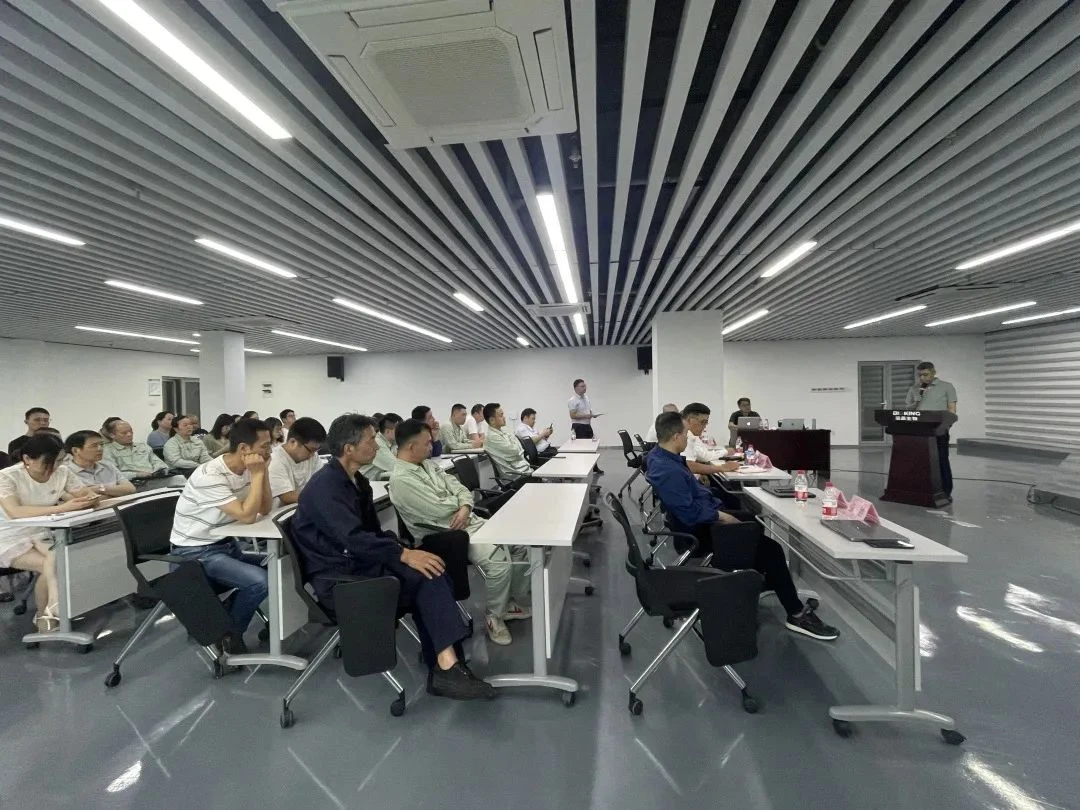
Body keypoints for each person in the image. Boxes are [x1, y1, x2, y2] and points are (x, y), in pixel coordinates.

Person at [292, 414, 495, 700]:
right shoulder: (325, 488)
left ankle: (444, 661)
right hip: (341, 579)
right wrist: (404, 554)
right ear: (349, 448)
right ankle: (446, 666)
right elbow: (354, 539)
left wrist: (403, 552)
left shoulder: (357, 482)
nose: (377, 446)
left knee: (432, 569)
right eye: (370, 440)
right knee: (427, 576)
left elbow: (370, 535)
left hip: (360, 562)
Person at [646, 412, 839, 641]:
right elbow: (689, 512)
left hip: (702, 521)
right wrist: (721, 516)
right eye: (685, 434)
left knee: (753, 521)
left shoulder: (661, 458)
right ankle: (796, 613)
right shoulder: (668, 470)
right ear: (676, 436)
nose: (688, 438)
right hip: (701, 532)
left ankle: (765, 578)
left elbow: (692, 500)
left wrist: (719, 510)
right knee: (772, 550)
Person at [389, 419, 531, 646]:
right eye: (427, 443)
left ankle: (507, 603)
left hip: (467, 521)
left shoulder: (427, 465)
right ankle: (494, 616)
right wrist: (461, 505)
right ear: (411, 447)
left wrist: (465, 505)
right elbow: (440, 510)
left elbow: (459, 488)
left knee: (520, 545)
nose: (432, 446)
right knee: (499, 563)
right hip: (446, 534)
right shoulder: (401, 480)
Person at [169, 417, 272, 652]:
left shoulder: (249, 468)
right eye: (265, 446)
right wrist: (258, 475)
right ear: (244, 448)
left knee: (280, 566)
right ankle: (230, 632)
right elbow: (247, 516)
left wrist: (262, 473)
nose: (269, 451)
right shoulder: (210, 475)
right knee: (260, 581)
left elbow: (265, 508)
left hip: (226, 545)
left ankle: (225, 617)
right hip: (194, 554)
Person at [0, 434, 104, 632]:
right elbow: (15, 512)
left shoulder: (61, 471)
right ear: (27, 459)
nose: (54, 468)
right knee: (55, 565)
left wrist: (88, 500)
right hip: (8, 535)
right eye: (47, 463)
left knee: (62, 562)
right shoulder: (7, 476)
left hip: (42, 531)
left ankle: (51, 614)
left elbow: (88, 495)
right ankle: (47, 617)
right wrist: (63, 508)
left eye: (58, 461)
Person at [905, 361, 958, 502]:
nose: (922, 378)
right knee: (919, 461)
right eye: (920, 375)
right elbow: (908, 410)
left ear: (933, 373)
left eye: (925, 374)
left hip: (939, 430)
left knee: (941, 460)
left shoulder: (947, 387)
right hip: (919, 431)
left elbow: (952, 410)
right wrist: (917, 401)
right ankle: (920, 490)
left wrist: (946, 426)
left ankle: (945, 491)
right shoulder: (914, 389)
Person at [104, 420, 184, 488]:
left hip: (152, 478)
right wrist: (136, 474)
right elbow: (112, 475)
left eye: (130, 431)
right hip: (132, 482)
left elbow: (157, 462)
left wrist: (159, 471)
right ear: (112, 435)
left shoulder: (142, 446)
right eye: (124, 433)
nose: (129, 434)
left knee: (179, 479)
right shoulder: (108, 451)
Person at [268, 417, 327, 507]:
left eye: (315, 451)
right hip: (282, 512)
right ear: (293, 442)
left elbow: (322, 481)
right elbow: (287, 496)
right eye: (310, 450)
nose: (312, 455)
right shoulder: (274, 459)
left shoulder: (312, 455)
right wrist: (321, 497)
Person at [63, 430, 136, 497]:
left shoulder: (108, 466)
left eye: (101, 444)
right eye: (94, 446)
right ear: (75, 450)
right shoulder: (65, 472)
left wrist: (99, 488)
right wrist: (115, 492)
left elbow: (130, 489)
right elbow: (78, 499)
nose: (100, 448)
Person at [483, 403, 534, 479]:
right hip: (516, 476)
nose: (504, 417)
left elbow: (520, 449)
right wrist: (516, 451)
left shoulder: (503, 430)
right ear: (492, 420)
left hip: (524, 470)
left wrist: (516, 452)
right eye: (501, 415)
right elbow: (516, 451)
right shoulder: (492, 437)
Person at [359, 413, 400, 481]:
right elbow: (395, 466)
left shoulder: (392, 443)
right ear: (388, 431)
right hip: (366, 482)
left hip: (376, 479)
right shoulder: (377, 442)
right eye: (399, 430)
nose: (402, 433)